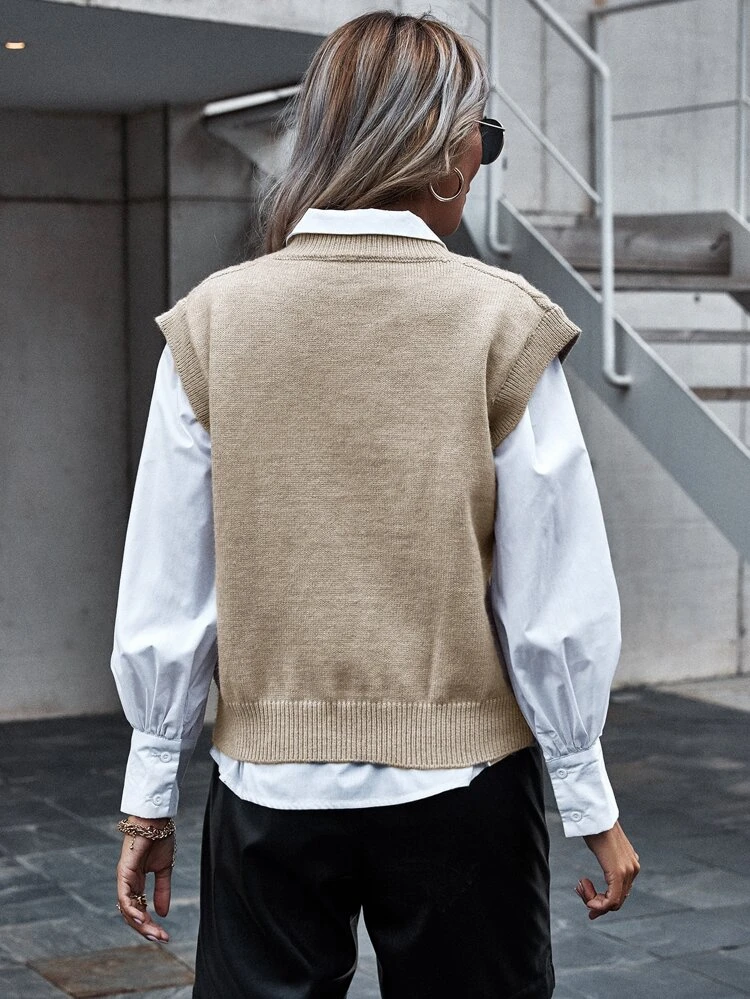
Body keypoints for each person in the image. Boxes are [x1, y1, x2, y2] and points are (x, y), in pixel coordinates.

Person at [110, 10, 639, 998]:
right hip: (464, 792)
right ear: (440, 149)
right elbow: (551, 599)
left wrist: (149, 794)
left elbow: (170, 584)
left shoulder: (213, 322)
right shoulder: (505, 323)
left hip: (267, 789)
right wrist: (589, 798)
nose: (481, 161)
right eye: (484, 138)